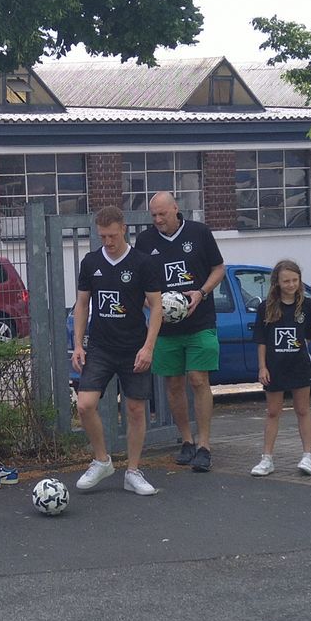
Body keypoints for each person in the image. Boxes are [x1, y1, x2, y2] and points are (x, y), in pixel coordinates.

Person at [70, 205, 164, 496]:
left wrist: (148, 347)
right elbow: (83, 304)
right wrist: (77, 344)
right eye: (102, 236)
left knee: (136, 409)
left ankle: (133, 471)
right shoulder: (90, 263)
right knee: (85, 405)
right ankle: (102, 460)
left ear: (123, 229)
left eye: (111, 235)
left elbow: (157, 306)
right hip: (100, 346)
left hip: (133, 346)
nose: (107, 242)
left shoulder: (143, 263)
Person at [132, 191, 225, 471]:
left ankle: (204, 446)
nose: (158, 220)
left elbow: (219, 269)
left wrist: (201, 292)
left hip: (200, 323)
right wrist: (152, 304)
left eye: (163, 214)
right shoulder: (145, 241)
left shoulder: (199, 233)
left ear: (175, 209)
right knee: (173, 385)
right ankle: (186, 441)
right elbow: (140, 280)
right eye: (154, 216)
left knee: (198, 380)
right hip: (165, 328)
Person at [249, 259, 311, 478]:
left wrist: (298, 352)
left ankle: (308, 455)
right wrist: (262, 367)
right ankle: (267, 458)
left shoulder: (307, 306)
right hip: (274, 366)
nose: (291, 285)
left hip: (299, 365)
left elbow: (308, 336)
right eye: (286, 281)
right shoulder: (266, 307)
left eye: (294, 280)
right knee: (272, 411)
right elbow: (261, 339)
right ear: (277, 283)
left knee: (303, 409)